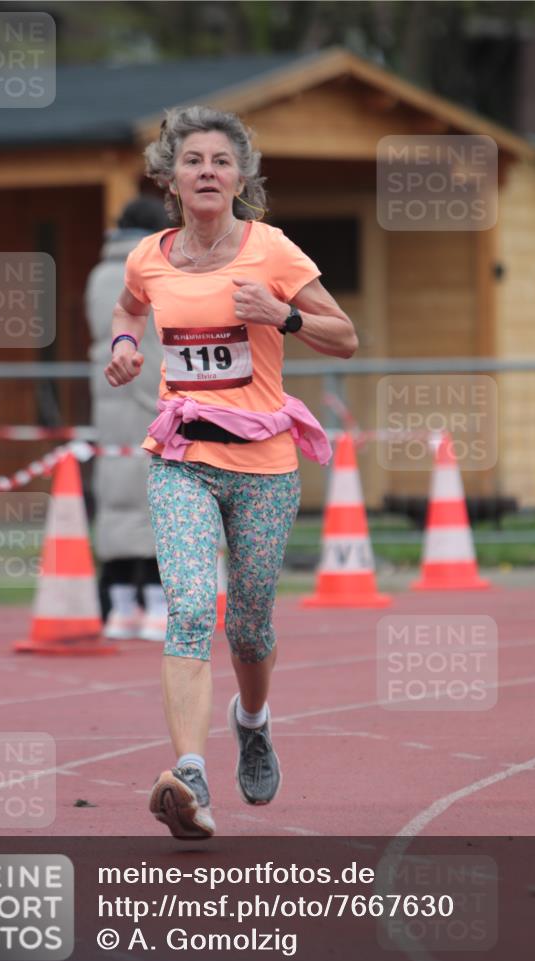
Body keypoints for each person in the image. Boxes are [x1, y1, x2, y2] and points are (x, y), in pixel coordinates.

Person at [105, 105, 357, 838]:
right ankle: (188, 773)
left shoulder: (272, 250)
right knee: (188, 608)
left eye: (221, 160)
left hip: (265, 465)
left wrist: (282, 316)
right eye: (193, 161)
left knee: (247, 626)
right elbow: (127, 309)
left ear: (241, 176)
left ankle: (252, 719)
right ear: (169, 178)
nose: (207, 171)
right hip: (181, 457)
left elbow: (343, 337)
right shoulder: (147, 256)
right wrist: (123, 345)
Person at [86, 196, 171, 640]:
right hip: (150, 391)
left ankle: (120, 606)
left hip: (108, 396)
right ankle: (158, 604)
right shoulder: (157, 268)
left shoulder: (100, 273)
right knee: (157, 498)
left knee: (116, 496)